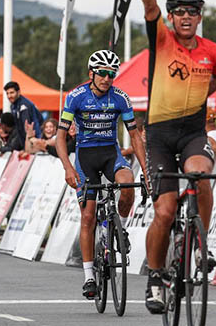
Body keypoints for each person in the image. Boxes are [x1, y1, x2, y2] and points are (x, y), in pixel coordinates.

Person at [135, 0, 216, 314]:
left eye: (192, 12)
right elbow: (150, 5)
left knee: (201, 176)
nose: (186, 17)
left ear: (200, 16)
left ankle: (201, 244)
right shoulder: (162, 39)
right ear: (172, 18)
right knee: (165, 211)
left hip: (191, 132)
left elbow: (215, 83)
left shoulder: (213, 51)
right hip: (159, 134)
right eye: (180, 13)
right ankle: (156, 277)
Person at [56, 49, 148, 300]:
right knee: (88, 216)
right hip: (85, 157)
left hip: (111, 153)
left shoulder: (121, 98)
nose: (108, 78)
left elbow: (135, 136)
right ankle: (88, 277)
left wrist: (146, 171)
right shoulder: (76, 97)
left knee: (127, 185)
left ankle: (118, 228)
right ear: (91, 74)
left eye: (112, 74)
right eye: (103, 73)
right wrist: (68, 167)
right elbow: (60, 137)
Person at [4, 81, 44, 147]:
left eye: (12, 93)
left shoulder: (24, 106)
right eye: (7, 93)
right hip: (26, 141)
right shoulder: (13, 106)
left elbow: (27, 128)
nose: (9, 96)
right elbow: (18, 129)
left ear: (18, 92)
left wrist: (26, 148)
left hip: (35, 141)